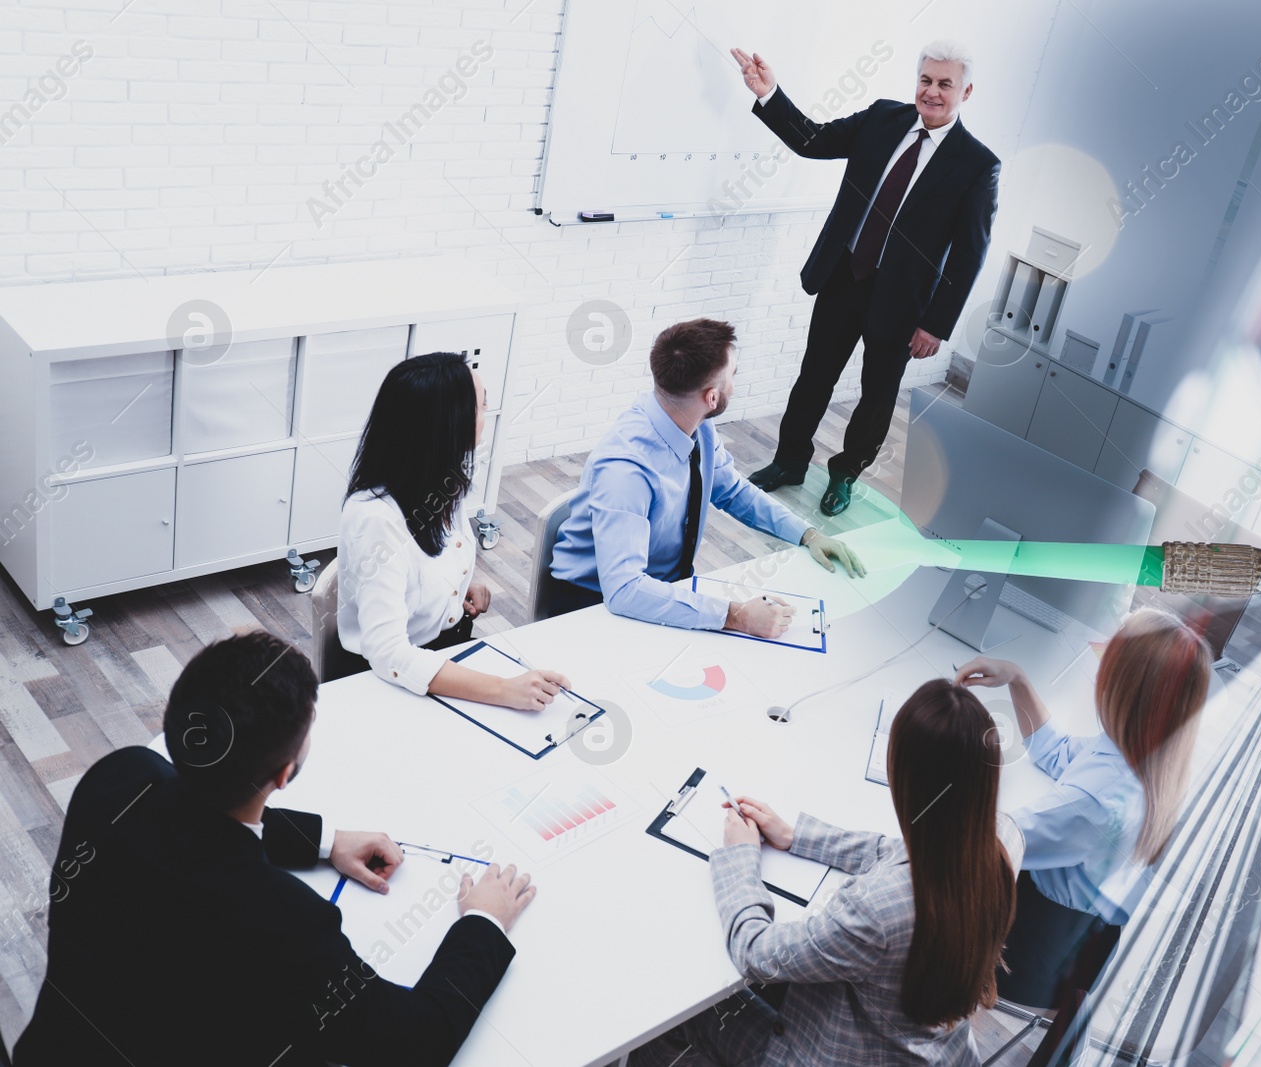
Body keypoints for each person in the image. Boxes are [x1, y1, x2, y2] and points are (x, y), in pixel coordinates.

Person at [13, 631, 535, 1066]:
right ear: (286, 774)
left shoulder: (119, 777)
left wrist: (327, 841)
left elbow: (189, 809)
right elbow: (416, 1041)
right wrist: (483, 923)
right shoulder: (285, 922)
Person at [631, 678, 1022, 1066]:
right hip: (934, 1051)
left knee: (667, 1020)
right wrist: (795, 836)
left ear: (901, 771)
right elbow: (889, 850)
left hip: (838, 1055)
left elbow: (755, 953)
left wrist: (740, 857)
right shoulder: (999, 841)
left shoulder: (875, 911)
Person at [732, 40, 1000, 517]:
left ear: (966, 91)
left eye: (945, 84)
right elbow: (812, 140)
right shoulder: (882, 118)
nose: (932, 92)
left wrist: (937, 324)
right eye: (925, 80)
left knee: (876, 398)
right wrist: (770, 93)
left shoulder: (978, 165)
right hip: (845, 275)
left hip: (903, 301)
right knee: (814, 377)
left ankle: (845, 475)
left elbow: (968, 255)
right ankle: (789, 462)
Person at [957, 608, 1211, 1009]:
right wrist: (1016, 677)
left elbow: (987, 842)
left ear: (1123, 688)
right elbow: (1058, 753)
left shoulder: (1096, 801)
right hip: (1077, 948)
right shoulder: (1151, 755)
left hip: (1022, 958)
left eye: (1107, 665)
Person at [547, 317, 865, 636]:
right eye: (733, 376)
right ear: (712, 397)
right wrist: (736, 615)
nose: (735, 384)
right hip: (592, 604)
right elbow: (624, 590)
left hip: (660, 587)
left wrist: (807, 534)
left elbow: (733, 491)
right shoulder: (625, 470)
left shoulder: (697, 424)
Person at [336, 351, 569, 709]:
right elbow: (388, 654)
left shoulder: (443, 481)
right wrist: (506, 690)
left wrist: (451, 591)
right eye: (481, 406)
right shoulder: (376, 519)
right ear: (447, 423)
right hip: (385, 680)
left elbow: (424, 563)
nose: (487, 413)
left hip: (445, 650)